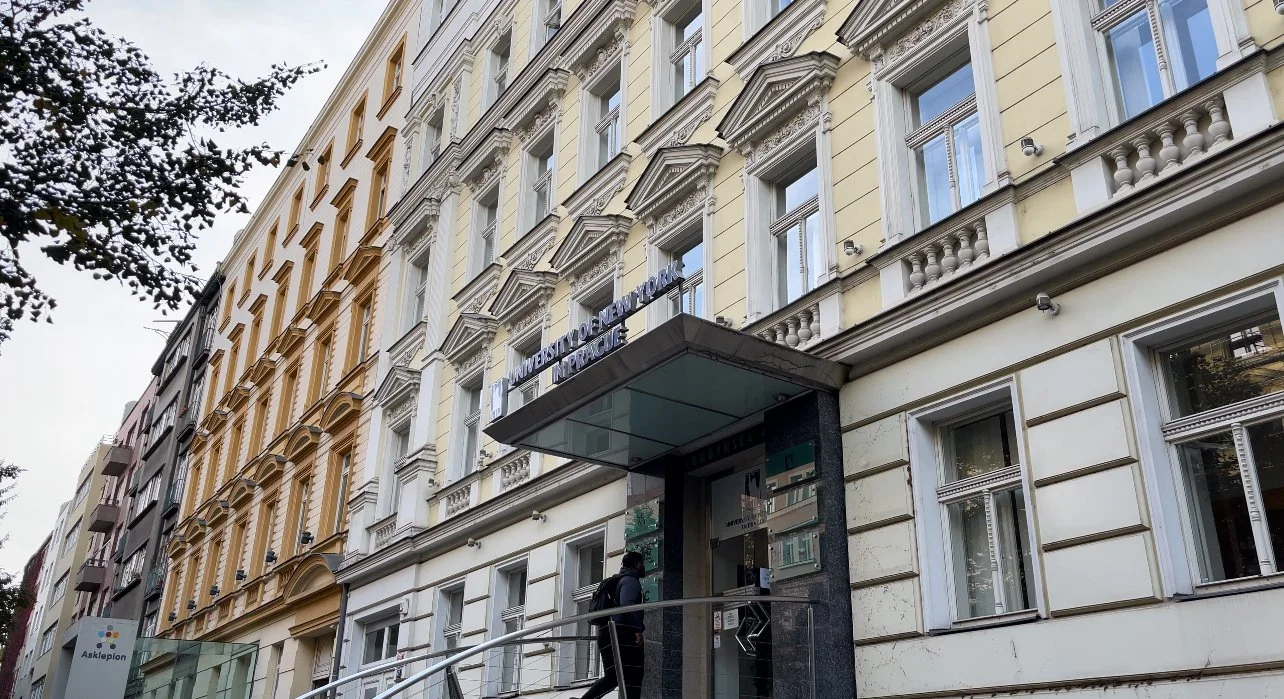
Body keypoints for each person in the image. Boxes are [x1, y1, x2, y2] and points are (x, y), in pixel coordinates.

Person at [576, 551, 646, 699]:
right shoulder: (630, 581)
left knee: (612, 677)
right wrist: (637, 630)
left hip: (606, 634)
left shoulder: (615, 581)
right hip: (623, 635)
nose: (643, 566)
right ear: (635, 564)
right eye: (642, 563)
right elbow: (627, 605)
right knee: (633, 677)